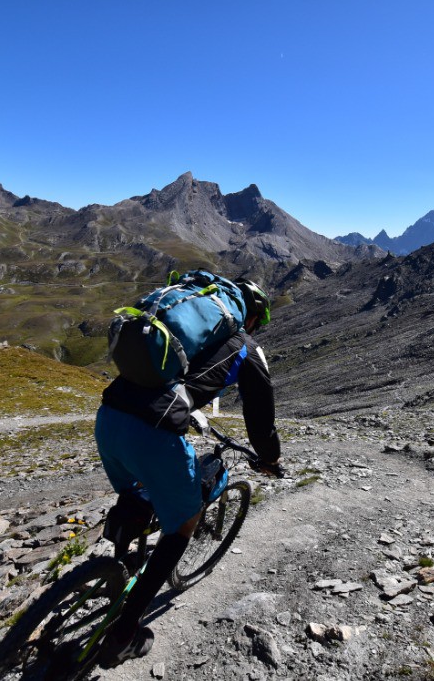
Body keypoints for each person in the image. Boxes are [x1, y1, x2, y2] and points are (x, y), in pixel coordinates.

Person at [93, 276, 282, 668]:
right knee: (184, 522)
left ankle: (118, 562)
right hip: (153, 432)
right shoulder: (246, 348)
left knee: (137, 490)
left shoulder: (180, 335)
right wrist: (269, 458)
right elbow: (260, 417)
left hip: (109, 417)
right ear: (251, 319)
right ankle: (125, 634)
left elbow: (176, 383)